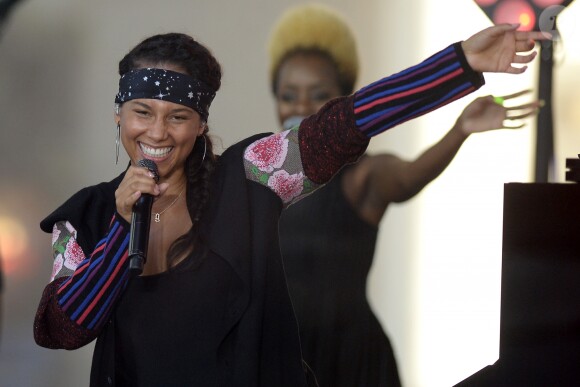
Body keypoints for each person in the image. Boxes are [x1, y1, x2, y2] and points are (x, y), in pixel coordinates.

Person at [33, 22, 546, 386]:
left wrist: (458, 65)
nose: (158, 132)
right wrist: (123, 229)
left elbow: (348, 122)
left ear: (201, 125)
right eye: (142, 112)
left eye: (179, 116)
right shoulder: (88, 217)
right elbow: (62, 331)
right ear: (119, 116)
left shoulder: (251, 175)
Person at [268, 4, 542, 387]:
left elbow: (409, 176)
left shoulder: (364, 175)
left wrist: (459, 130)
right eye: (288, 95)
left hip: (352, 361)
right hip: (285, 356)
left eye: (318, 95)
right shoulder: (266, 175)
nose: (300, 107)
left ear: (341, 101)